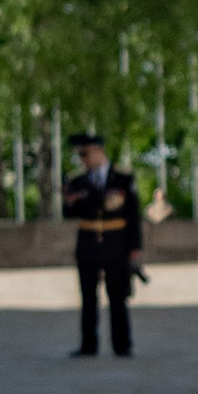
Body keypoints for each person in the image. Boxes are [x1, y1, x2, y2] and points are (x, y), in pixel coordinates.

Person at [63, 134, 141, 360]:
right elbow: (70, 213)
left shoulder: (123, 179)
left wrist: (135, 247)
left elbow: (132, 216)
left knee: (118, 297)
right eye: (81, 155)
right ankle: (88, 345)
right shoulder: (77, 181)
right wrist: (69, 201)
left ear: (98, 151)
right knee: (88, 298)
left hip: (116, 244)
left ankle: (122, 345)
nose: (83, 160)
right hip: (88, 245)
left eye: (85, 154)